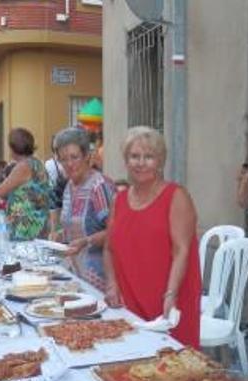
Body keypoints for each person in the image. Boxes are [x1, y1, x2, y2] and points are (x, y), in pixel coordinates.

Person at [105, 126, 201, 349]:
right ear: (126, 160)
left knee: (173, 369)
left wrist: (171, 294)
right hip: (129, 297)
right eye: (134, 156)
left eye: (149, 157)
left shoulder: (176, 196)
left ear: (160, 161)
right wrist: (111, 284)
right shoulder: (118, 201)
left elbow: (182, 251)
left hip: (169, 297)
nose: (140, 163)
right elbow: (109, 248)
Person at [50, 127, 115, 289]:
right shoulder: (69, 187)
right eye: (63, 159)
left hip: (98, 279)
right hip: (73, 275)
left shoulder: (99, 186)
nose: (69, 164)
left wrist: (86, 241)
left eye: (74, 157)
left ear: (87, 156)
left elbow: (116, 232)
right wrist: (58, 235)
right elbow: (71, 228)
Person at [0, 128, 50, 241]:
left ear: (13, 148)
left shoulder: (23, 166)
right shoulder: (36, 163)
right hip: (38, 221)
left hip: (26, 226)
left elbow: (0, 191)